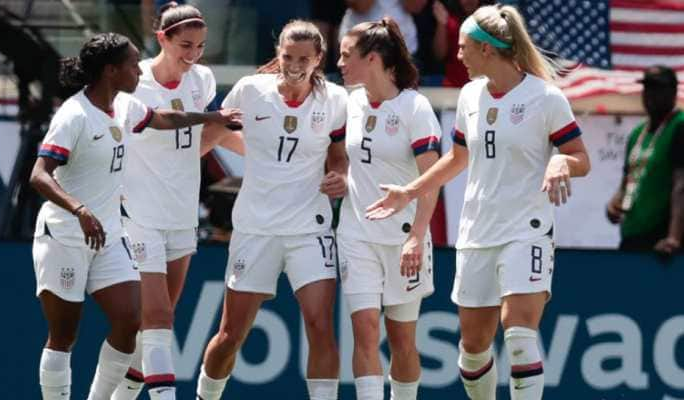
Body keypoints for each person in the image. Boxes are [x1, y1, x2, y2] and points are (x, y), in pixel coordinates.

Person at [365, 5, 590, 400]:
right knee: (472, 351)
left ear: (487, 50)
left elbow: (581, 157)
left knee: (519, 334)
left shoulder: (546, 98)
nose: (458, 54)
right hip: (477, 232)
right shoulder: (470, 96)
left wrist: (560, 161)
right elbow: (456, 159)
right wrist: (409, 191)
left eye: (465, 46)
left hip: (527, 230)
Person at [29, 32, 241, 400]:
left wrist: (213, 117)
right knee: (64, 336)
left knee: (130, 323)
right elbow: (39, 174)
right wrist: (79, 209)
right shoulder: (74, 115)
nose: (137, 70)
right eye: (130, 64)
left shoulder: (125, 105)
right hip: (65, 234)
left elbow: (164, 119)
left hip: (108, 236)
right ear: (111, 71)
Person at [196, 20, 348, 400]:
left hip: (309, 229)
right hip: (256, 228)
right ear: (277, 55)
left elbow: (339, 156)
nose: (294, 65)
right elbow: (210, 139)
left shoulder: (336, 100)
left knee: (320, 326)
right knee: (231, 336)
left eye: (303, 59)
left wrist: (339, 176)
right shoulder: (250, 91)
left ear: (318, 60)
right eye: (287, 57)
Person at [110, 3, 244, 400]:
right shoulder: (134, 82)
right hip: (139, 215)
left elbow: (203, 141)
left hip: (181, 213)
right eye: (185, 45)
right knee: (157, 317)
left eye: (200, 47)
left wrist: (267, 152)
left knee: (152, 328)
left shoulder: (201, 79)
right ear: (162, 39)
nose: (193, 55)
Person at [336, 17, 441, 400]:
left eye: (347, 55)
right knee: (364, 331)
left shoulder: (415, 107)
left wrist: (416, 237)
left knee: (402, 341)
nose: (340, 62)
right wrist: (338, 179)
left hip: (403, 240)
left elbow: (432, 180)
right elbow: (345, 162)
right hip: (355, 233)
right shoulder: (349, 103)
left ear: (374, 58)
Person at [606, 65, 684, 255]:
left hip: (662, 240)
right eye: (647, 88)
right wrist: (614, 204)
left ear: (673, 92)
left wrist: (674, 238)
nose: (650, 94)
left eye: (657, 88)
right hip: (632, 236)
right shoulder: (637, 134)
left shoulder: (679, 125)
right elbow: (628, 180)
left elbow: (681, 185)